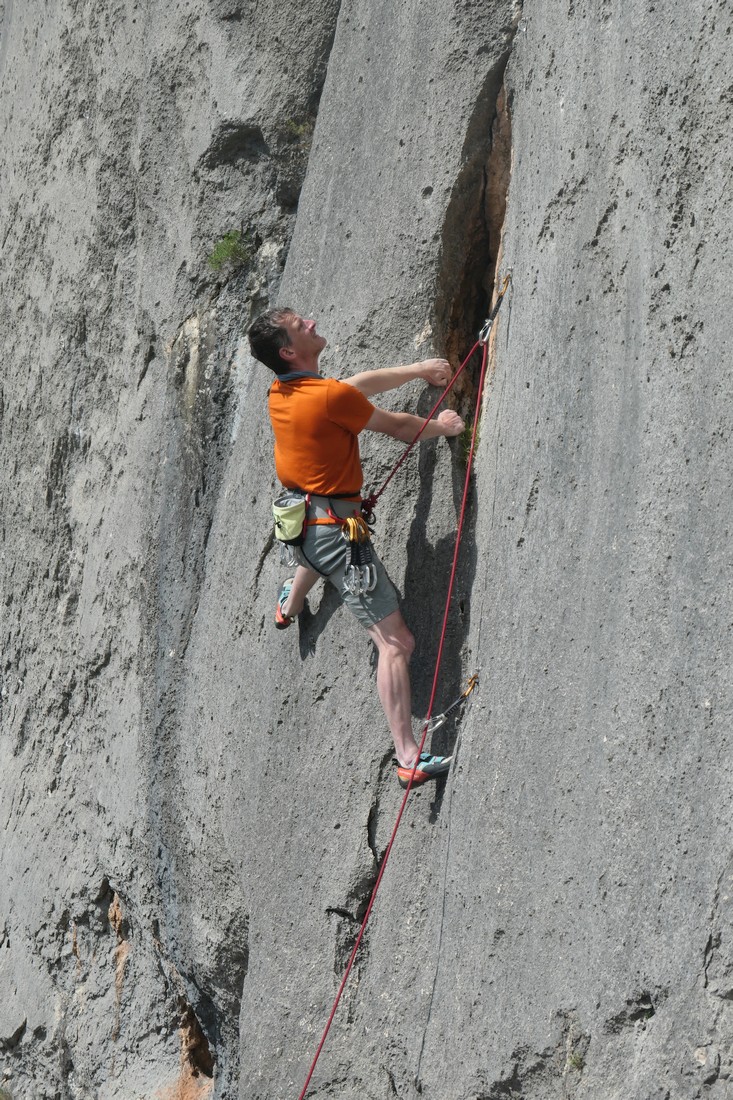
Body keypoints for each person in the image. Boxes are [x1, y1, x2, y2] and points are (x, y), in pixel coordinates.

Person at [248, 308, 464, 788]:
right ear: (288, 351)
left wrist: (417, 370)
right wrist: (443, 426)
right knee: (396, 643)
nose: (310, 321)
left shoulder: (281, 391)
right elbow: (401, 427)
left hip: (298, 524)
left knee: (315, 558)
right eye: (298, 325)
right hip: (332, 534)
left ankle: (290, 604)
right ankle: (407, 757)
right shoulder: (327, 397)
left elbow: (353, 387)